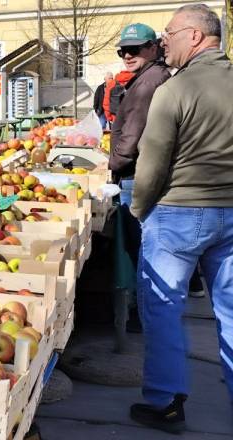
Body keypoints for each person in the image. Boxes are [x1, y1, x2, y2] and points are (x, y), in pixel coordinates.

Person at [129, 4, 233, 433]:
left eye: (169, 32)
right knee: (230, 311)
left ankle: (165, 400)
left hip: (178, 214)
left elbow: (151, 165)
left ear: (194, 36)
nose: (164, 40)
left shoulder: (175, 90)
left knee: (163, 307)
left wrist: (138, 210)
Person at [107, 24, 171, 333]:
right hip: (137, 172)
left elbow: (132, 134)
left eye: (135, 48)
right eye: (123, 50)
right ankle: (146, 315)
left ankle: (143, 318)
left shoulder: (148, 83)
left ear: (153, 47)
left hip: (135, 174)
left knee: (141, 247)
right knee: (142, 246)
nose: (128, 55)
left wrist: (114, 163)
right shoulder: (148, 77)